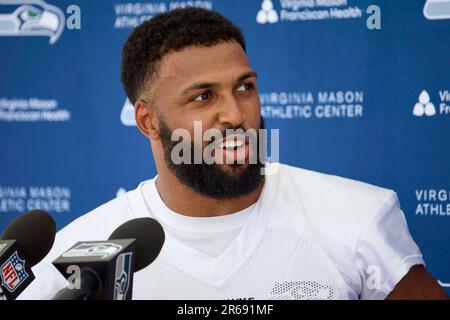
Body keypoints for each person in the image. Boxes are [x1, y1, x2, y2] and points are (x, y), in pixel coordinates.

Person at [19, 7, 447, 300]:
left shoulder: (357, 218)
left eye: (244, 87)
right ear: (148, 121)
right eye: (203, 97)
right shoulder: (79, 254)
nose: (236, 114)